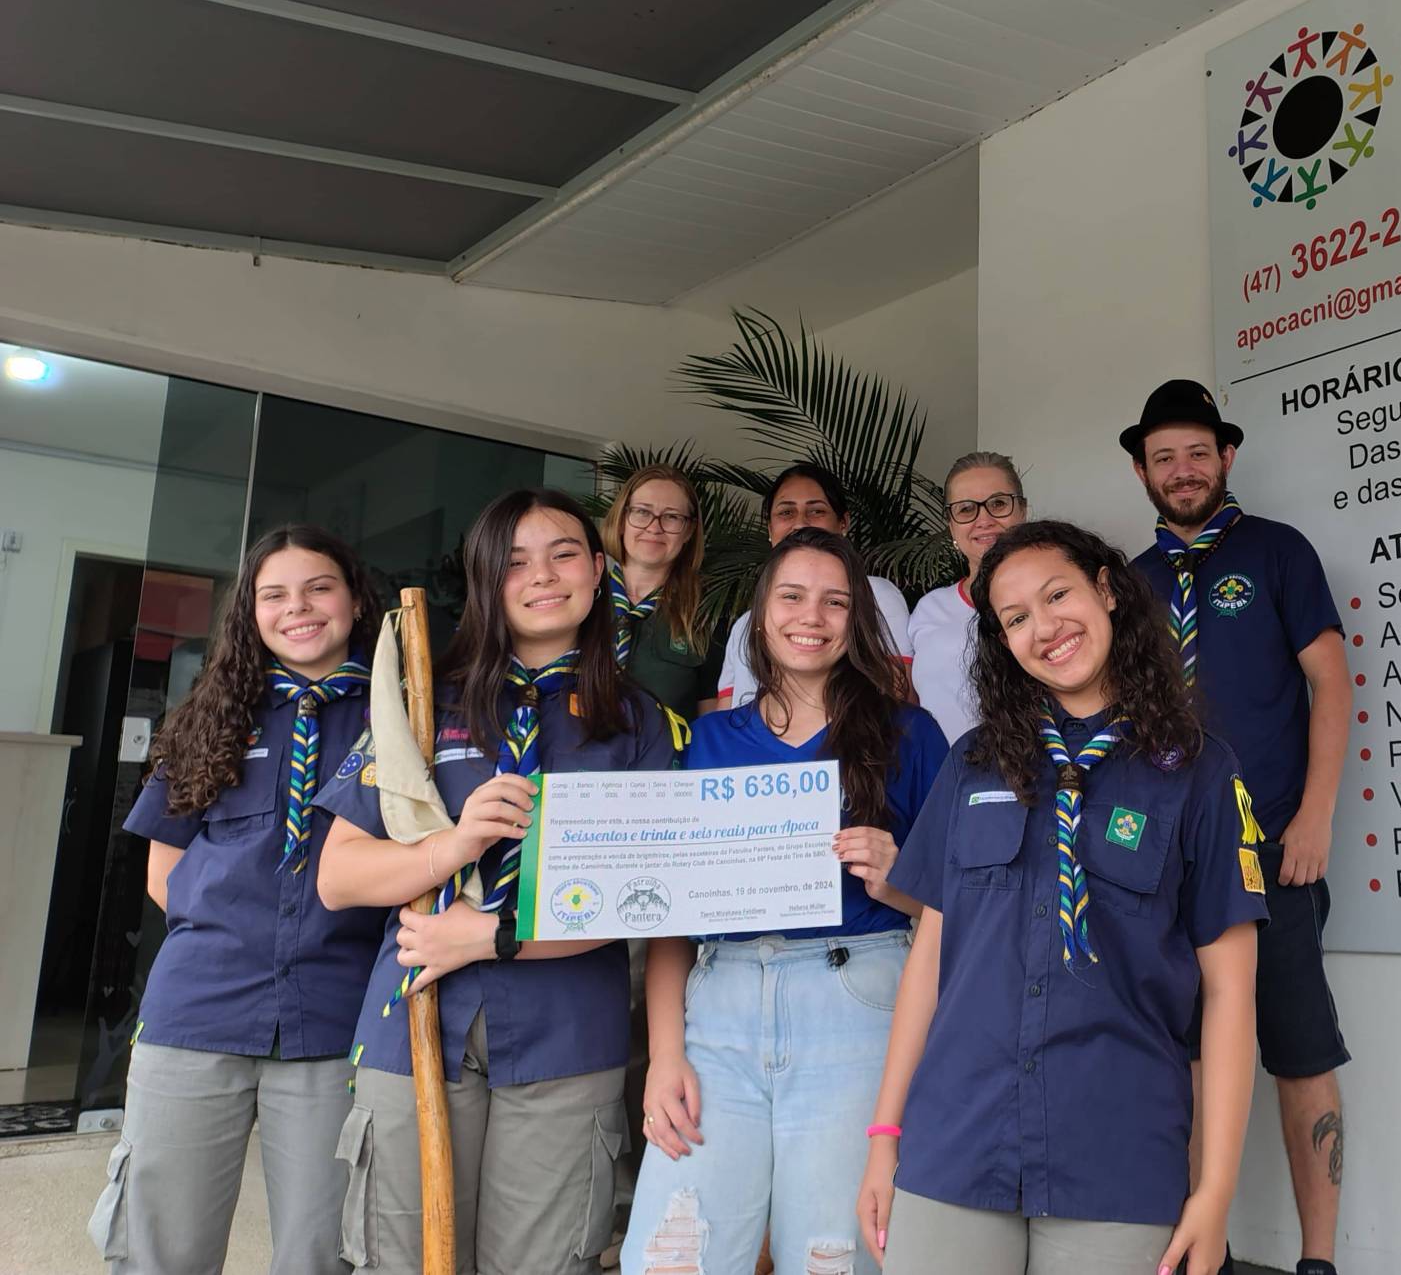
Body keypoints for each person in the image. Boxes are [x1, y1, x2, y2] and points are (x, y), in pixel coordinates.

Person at [858, 520, 1264, 1275]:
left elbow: (1231, 997)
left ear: (1105, 591)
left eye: (1057, 595)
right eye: (1016, 618)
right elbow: (932, 959)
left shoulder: (1201, 772)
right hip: (956, 1145)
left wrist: (1214, 1191)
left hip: (1118, 1157)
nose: (1044, 628)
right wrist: (885, 1138)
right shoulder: (973, 763)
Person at [317, 489, 681, 1275]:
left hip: (566, 1037)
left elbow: (647, 896)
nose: (543, 576)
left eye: (563, 554)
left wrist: (486, 936)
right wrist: (453, 845)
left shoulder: (638, 723)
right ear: (487, 582)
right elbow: (340, 876)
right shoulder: (425, 702)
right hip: (414, 1024)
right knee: (404, 1258)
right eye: (515, 561)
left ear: (598, 569)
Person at [623, 527, 948, 1275]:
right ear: (758, 616)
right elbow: (675, 912)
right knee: (675, 1253)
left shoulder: (911, 734)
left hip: (858, 1002)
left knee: (830, 1254)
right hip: (720, 1007)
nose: (814, 616)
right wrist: (664, 1055)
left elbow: (954, 909)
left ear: (857, 619)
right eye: (792, 596)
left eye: (836, 602)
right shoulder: (705, 741)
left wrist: (897, 878)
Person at [92, 525, 384, 1274]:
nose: (299, 608)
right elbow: (165, 876)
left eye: (319, 587)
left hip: (334, 1019)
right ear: (249, 612)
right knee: (163, 1245)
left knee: (324, 1250)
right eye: (275, 594)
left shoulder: (401, 715)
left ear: (354, 598)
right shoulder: (212, 714)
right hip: (198, 1012)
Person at [1124, 380, 1355, 1275]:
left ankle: (1320, 1261)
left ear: (1225, 457)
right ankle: (1196, 1256)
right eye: (1162, 457)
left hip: (1271, 854)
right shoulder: (1129, 584)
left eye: (1196, 453)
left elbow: (1330, 684)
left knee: (1300, 1056)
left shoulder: (1278, 552)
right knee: (1178, 1062)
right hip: (1167, 863)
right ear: (1141, 469)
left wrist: (1314, 817)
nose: (1181, 471)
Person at [714, 463, 912, 708]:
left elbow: (897, 696)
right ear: (769, 528)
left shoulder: (874, 594)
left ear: (843, 523)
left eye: (816, 511)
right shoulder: (745, 623)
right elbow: (727, 717)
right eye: (786, 512)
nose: (800, 523)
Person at [908, 451, 1028, 744]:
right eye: (965, 509)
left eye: (998, 504)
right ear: (951, 524)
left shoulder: (1056, 604)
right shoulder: (928, 609)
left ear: (1022, 511)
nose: (983, 520)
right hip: (944, 783)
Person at [601, 462, 725, 733]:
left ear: (689, 531)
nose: (654, 528)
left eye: (671, 517)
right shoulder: (583, 598)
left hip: (665, 770)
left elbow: (709, 723)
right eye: (642, 512)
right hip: (574, 768)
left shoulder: (706, 612)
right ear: (622, 520)